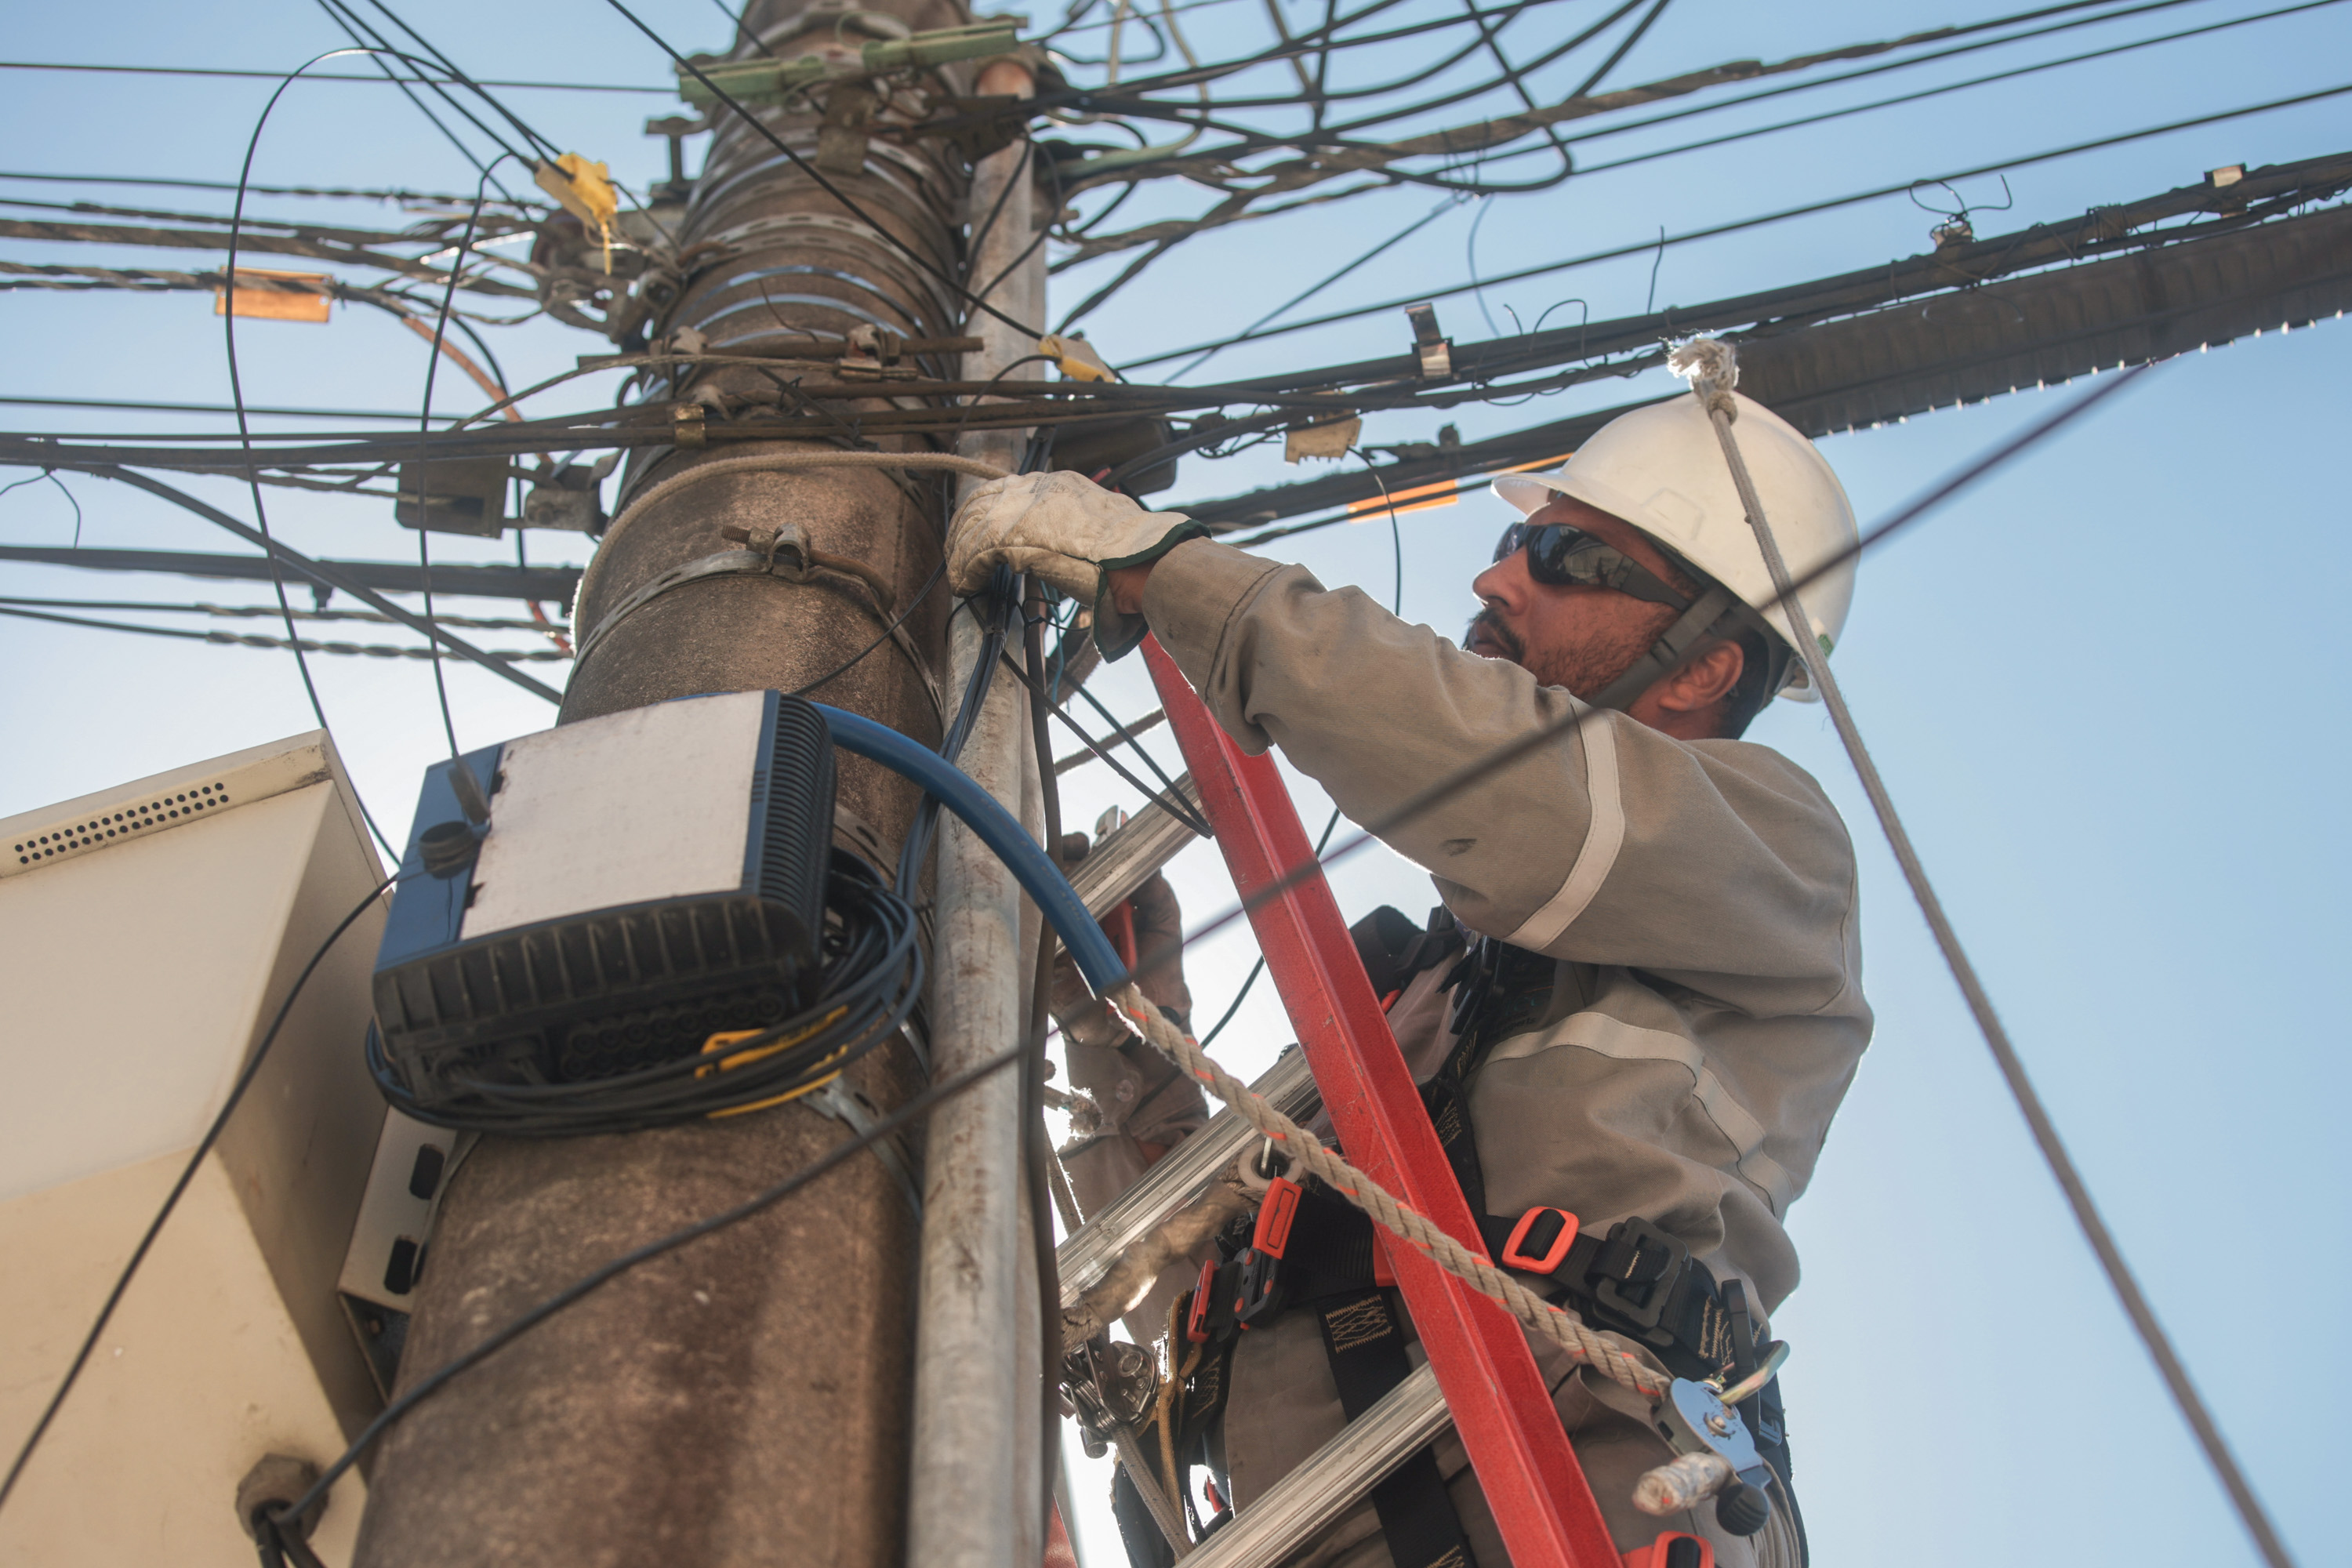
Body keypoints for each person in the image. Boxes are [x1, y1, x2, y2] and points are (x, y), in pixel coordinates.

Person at [951, 386, 1871, 1568]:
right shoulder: (1431, 994)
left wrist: (1169, 573)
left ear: (1703, 672)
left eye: (1566, 556)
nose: (1498, 582)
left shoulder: (1781, 860)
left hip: (1556, 1497)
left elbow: (1503, 772)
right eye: (1507, 546)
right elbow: (1213, 1268)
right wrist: (1125, 1019)